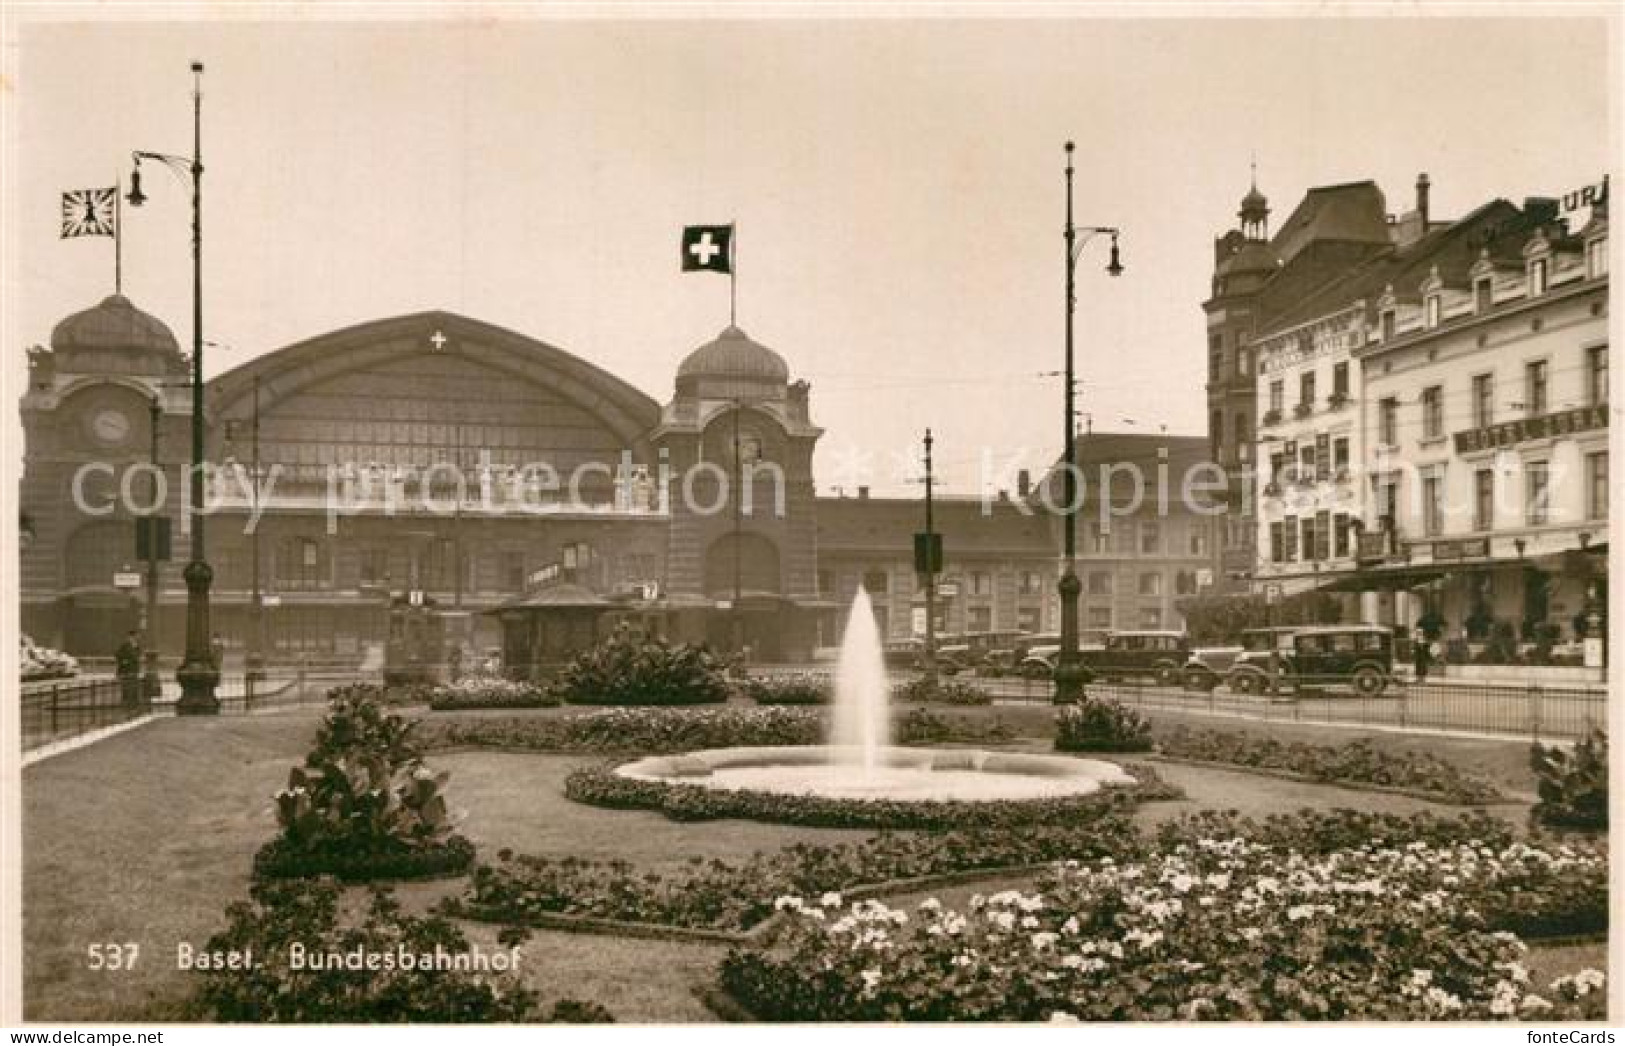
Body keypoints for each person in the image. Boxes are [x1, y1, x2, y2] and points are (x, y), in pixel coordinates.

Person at [115, 630, 143, 707]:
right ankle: (126, 703)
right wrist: (124, 661)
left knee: (133, 687)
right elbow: (118, 655)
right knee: (126, 688)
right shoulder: (125, 645)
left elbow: (138, 656)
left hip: (133, 670)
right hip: (126, 670)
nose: (137, 638)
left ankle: (133, 703)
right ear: (130, 637)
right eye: (135, 637)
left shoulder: (137, 646)